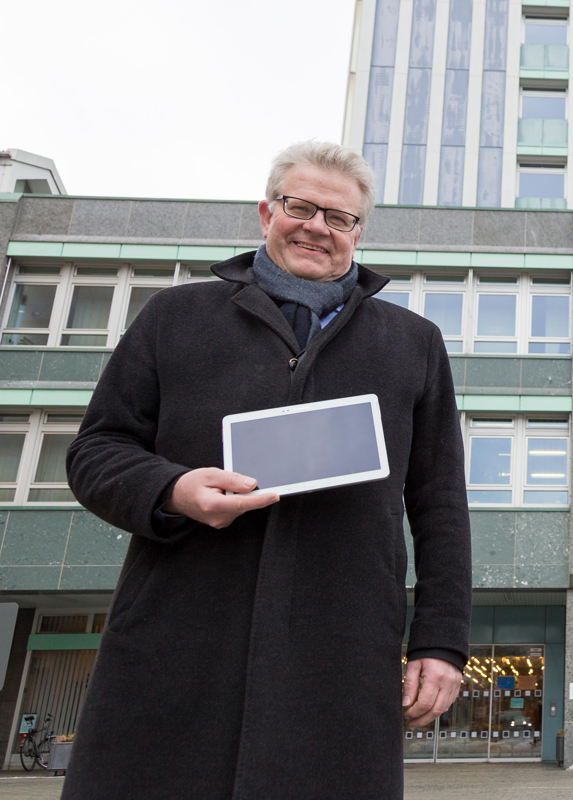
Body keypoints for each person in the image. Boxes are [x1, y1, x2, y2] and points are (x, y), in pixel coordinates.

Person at [62, 141, 471, 799]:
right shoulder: (174, 318)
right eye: (300, 207)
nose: (317, 226)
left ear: (357, 232)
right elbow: (95, 450)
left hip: (341, 650)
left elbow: (441, 501)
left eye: (338, 218)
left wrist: (442, 642)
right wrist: (171, 488)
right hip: (179, 640)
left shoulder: (412, 344)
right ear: (266, 212)